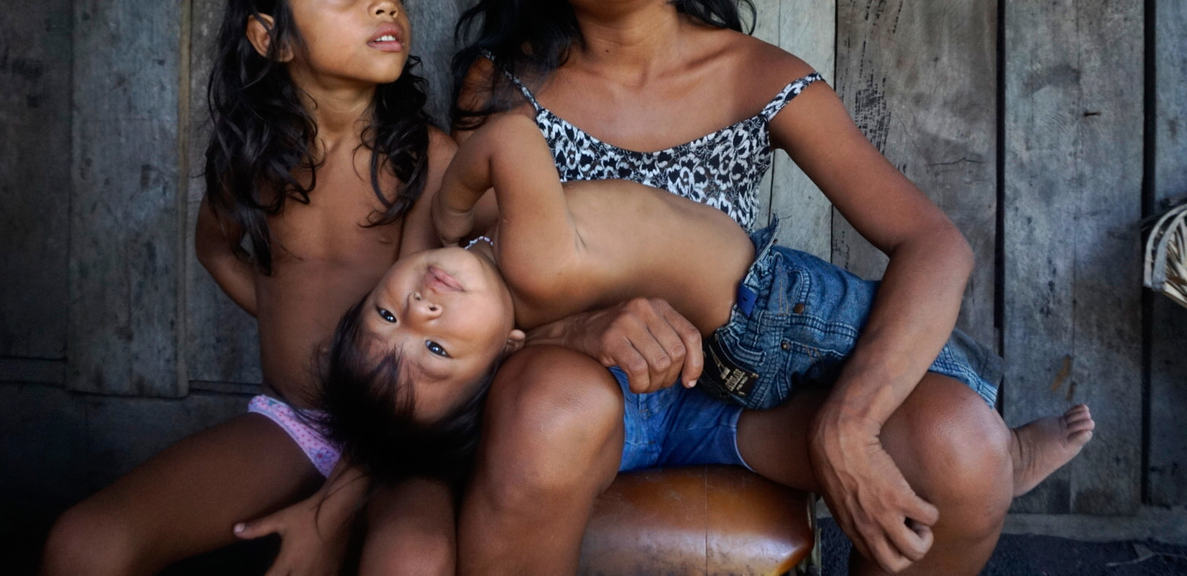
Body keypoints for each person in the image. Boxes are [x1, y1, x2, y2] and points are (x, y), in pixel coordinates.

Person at [447, 0, 1085, 575]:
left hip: (746, 397)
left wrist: (847, 424)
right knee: (554, 403)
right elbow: (459, 270)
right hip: (573, 387)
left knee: (962, 448)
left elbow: (932, 243)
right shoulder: (504, 87)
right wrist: (575, 332)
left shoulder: (762, 77)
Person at [318, 112, 1091, 498]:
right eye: (440, 350)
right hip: (774, 303)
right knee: (895, 351)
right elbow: (514, 135)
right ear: (510, 350)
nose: (420, 314)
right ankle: (1004, 447)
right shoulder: (526, 255)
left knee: (860, 408)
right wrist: (454, 209)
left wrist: (442, 229)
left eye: (384, 318)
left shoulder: (486, 273)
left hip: (719, 355)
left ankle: (982, 454)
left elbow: (427, 259)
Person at [40, 0, 457, 576]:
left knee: (413, 564)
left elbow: (411, 369)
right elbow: (215, 249)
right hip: (299, 424)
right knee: (83, 544)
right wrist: (289, 320)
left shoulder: (427, 161)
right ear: (271, 37)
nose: (384, 5)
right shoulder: (255, 159)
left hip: (405, 438)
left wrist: (331, 514)